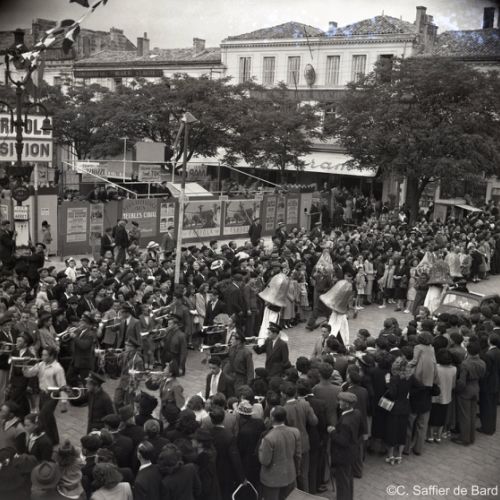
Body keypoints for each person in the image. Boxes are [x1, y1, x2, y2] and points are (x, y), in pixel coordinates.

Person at [22, 346, 68, 445]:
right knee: (49, 417)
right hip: (42, 394)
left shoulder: (58, 368)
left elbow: (63, 386)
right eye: (42, 354)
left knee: (43, 416)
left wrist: (64, 402)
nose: (42, 357)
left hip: (53, 395)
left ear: (52, 356)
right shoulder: (41, 364)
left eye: (45, 355)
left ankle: (46, 440)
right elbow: (28, 374)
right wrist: (24, 365)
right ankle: (54, 439)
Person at [258, 405, 301, 500]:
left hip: (272, 480)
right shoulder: (295, 432)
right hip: (290, 475)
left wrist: (261, 448)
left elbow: (265, 461)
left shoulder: (268, 438)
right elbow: (298, 455)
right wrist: (297, 470)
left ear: (272, 418)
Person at [282, 381, 318, 493]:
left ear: (283, 394)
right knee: (304, 475)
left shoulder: (283, 409)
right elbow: (314, 421)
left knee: (292, 476)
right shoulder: (305, 404)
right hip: (304, 442)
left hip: (291, 446)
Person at [330, 391, 363, 500]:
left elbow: (342, 441)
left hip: (343, 455)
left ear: (347, 404)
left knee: (342, 481)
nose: (339, 402)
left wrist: (332, 432)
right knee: (348, 477)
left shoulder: (345, 422)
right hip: (352, 452)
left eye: (341, 401)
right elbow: (361, 430)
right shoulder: (357, 413)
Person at [453, 340, 486, 446]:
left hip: (466, 390)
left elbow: (462, 382)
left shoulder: (465, 364)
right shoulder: (482, 363)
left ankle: (464, 438)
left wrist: (456, 389)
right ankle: (471, 437)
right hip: (476, 388)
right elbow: (482, 376)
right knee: (472, 415)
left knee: (464, 416)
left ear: (468, 350)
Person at [478, 332, 500, 435]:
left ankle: (486, 428)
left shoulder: (488, 354)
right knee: (492, 406)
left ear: (489, 341)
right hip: (496, 382)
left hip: (488, 384)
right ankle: (491, 427)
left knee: (486, 406)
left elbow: (486, 372)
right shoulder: (498, 351)